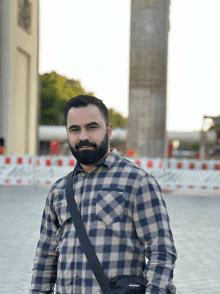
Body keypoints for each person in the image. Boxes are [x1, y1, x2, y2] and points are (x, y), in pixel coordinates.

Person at [30, 95, 177, 294]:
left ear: (108, 131)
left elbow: (162, 252)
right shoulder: (59, 191)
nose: (83, 137)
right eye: (75, 129)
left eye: (92, 127)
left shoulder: (137, 182)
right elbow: (45, 256)